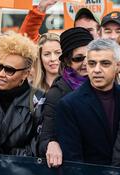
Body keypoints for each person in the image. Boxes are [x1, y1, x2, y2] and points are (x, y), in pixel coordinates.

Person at [56, 39, 120, 165]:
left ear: (118, 65)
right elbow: (73, 161)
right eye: (92, 63)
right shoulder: (69, 104)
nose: (97, 70)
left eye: (105, 63)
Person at [38, 27, 94, 166]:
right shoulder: (57, 92)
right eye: (78, 58)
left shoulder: (106, 85)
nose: (86, 63)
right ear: (68, 61)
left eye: (90, 57)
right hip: (73, 168)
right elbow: (44, 139)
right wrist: (52, 144)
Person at [0, 32, 44, 157]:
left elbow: (37, 151)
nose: (1, 74)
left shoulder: (38, 102)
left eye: (9, 70)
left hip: (20, 174)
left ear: (25, 74)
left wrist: (3, 155)